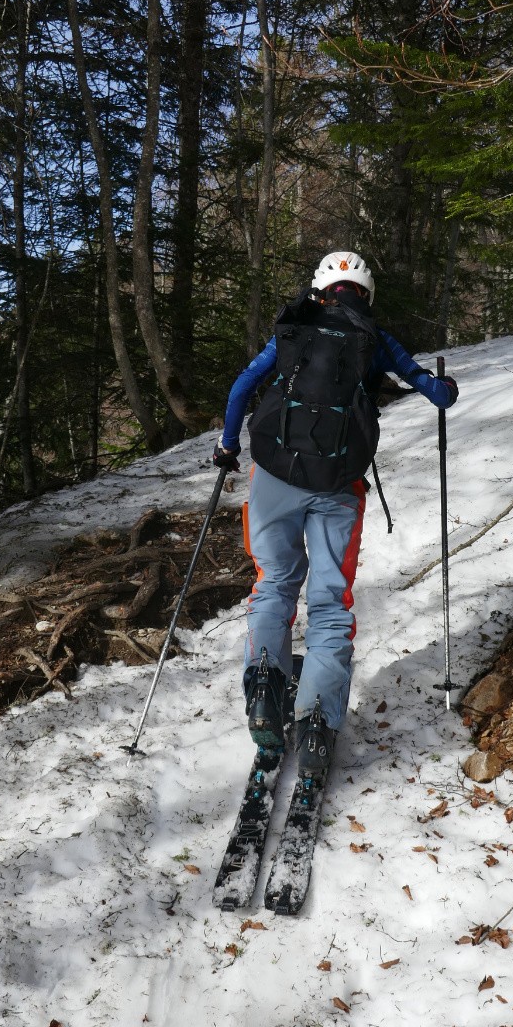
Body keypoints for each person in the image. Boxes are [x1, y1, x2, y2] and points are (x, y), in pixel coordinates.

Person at [212, 250, 458, 783]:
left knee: (273, 583)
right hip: (338, 489)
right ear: (365, 294)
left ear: (321, 288)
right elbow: (433, 391)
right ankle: (319, 721)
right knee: (328, 603)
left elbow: (241, 388)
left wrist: (229, 447)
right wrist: (446, 388)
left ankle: (263, 689)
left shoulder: (295, 327)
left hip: (273, 479)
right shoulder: (374, 338)